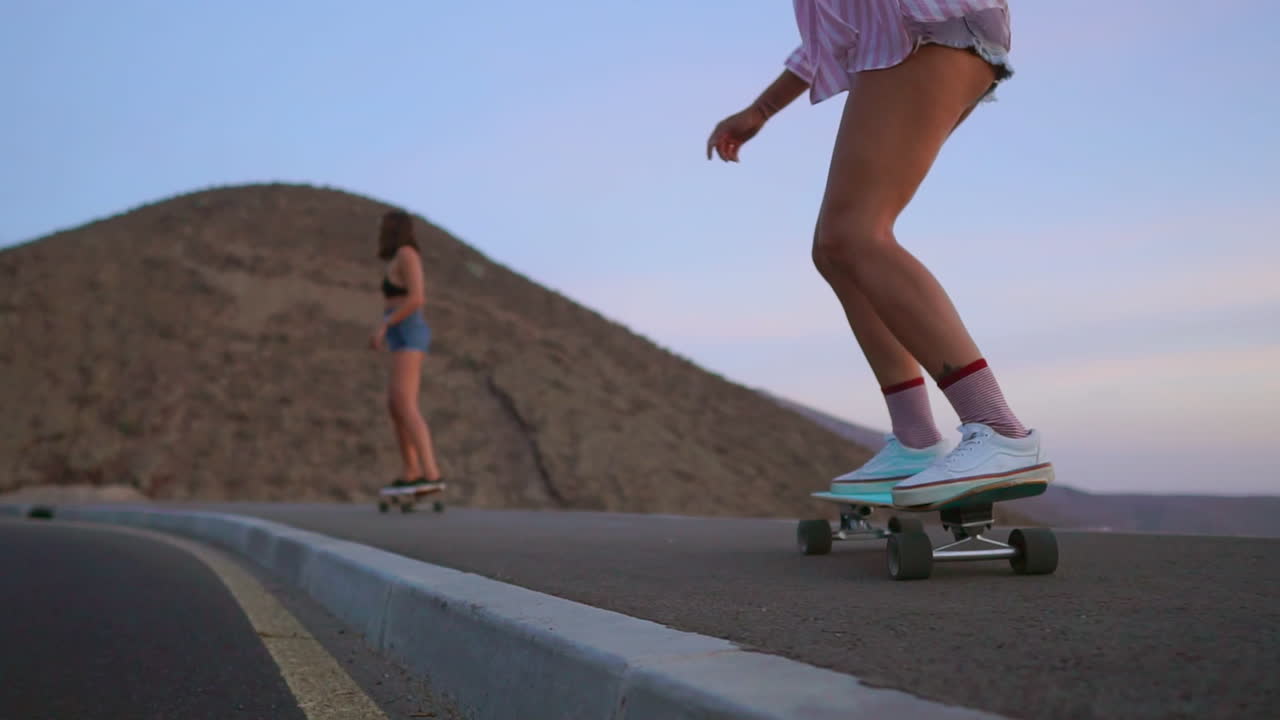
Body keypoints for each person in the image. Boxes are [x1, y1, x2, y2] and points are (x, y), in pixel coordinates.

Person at [705, 0, 1051, 508]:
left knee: (858, 235)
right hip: (908, 41)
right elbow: (838, 30)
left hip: (931, 33)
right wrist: (761, 109)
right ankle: (915, 439)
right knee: (837, 248)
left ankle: (1000, 431)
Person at [370, 209, 445, 491]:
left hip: (410, 329)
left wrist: (386, 324)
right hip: (398, 331)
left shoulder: (407, 254)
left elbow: (416, 299)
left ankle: (432, 474)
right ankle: (411, 471)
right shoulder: (395, 258)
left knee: (405, 403)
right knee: (395, 404)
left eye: (384, 225)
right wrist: (385, 327)